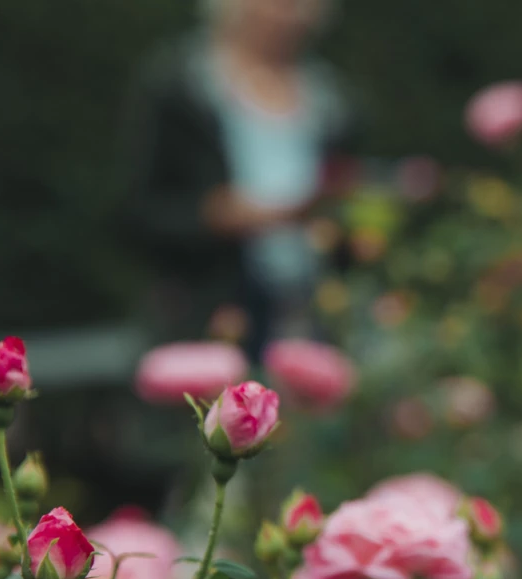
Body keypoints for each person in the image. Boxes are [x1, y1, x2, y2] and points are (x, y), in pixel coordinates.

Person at [118, 0, 357, 360]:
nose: (286, 13)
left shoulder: (334, 101)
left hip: (309, 318)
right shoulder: (179, 87)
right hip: (207, 315)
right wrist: (214, 216)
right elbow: (136, 211)